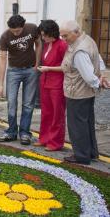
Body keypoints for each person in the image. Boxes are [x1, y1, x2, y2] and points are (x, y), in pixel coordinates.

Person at [60, 21, 109, 165]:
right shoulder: (88, 40)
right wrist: (101, 77)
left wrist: (98, 82)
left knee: (77, 125)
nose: (64, 39)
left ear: (76, 32)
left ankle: (81, 155)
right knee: (87, 122)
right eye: (62, 36)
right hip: (86, 92)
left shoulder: (79, 50)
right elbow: (99, 60)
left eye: (66, 36)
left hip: (77, 92)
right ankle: (91, 152)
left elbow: (87, 75)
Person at [0, 15, 41, 145]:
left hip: (30, 70)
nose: (15, 33)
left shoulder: (32, 28)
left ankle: (25, 133)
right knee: (12, 102)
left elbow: (38, 44)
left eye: (18, 31)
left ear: (23, 26)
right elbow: (3, 59)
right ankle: (11, 131)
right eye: (13, 31)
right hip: (14, 71)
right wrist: (0, 84)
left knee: (28, 103)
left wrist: (37, 64)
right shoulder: (5, 37)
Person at [35, 20, 68, 151]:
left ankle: (55, 142)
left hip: (57, 84)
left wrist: (48, 68)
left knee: (57, 114)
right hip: (45, 82)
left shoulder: (62, 45)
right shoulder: (47, 44)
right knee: (46, 112)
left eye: (44, 35)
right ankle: (44, 138)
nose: (42, 38)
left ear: (51, 33)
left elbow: (67, 67)